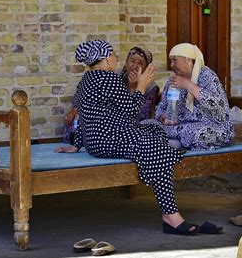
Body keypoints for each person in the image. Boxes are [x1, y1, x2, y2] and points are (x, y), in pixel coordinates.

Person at [55, 40, 200, 235]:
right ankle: (171, 216)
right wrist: (141, 85)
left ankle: (158, 170)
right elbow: (131, 109)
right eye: (113, 54)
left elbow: (87, 116)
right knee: (159, 151)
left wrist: (77, 144)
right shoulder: (108, 78)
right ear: (107, 59)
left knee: (153, 130)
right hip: (111, 138)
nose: (116, 57)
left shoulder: (86, 79)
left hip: (97, 141)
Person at [144, 43, 233, 150]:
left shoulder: (206, 75)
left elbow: (218, 106)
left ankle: (173, 142)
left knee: (196, 133)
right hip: (177, 126)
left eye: (175, 60)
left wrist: (189, 85)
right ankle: (173, 141)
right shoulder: (172, 81)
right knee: (145, 124)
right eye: (170, 61)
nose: (171, 65)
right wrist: (163, 117)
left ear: (188, 60)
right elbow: (162, 106)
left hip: (211, 126)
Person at [63, 47, 159, 144]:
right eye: (132, 61)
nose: (134, 66)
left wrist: (135, 88)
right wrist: (74, 110)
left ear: (146, 68)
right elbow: (84, 97)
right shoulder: (115, 77)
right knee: (77, 119)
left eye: (140, 63)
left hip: (128, 123)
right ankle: (78, 141)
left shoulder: (150, 86)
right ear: (126, 62)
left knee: (152, 126)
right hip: (108, 123)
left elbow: (140, 115)